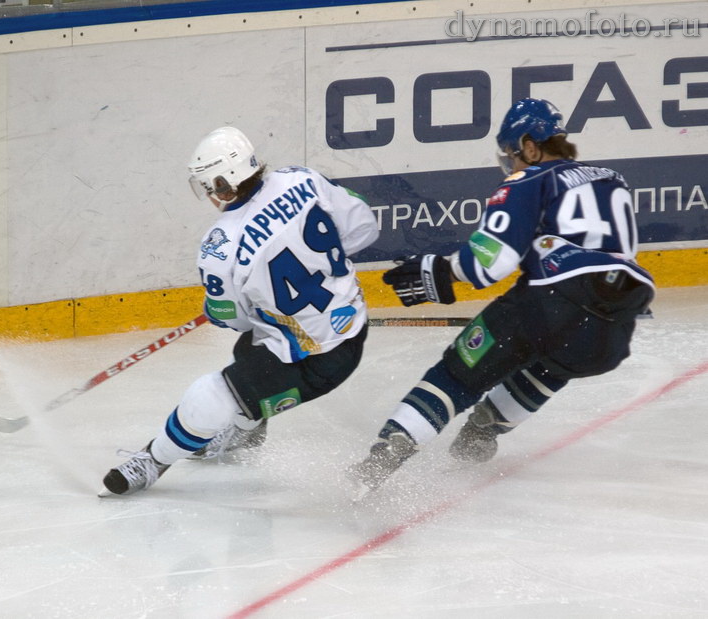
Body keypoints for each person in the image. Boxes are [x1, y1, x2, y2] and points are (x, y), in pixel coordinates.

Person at [348, 98, 655, 492]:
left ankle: (386, 454)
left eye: (514, 154)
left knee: (457, 375)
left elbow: (488, 265)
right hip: (614, 324)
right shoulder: (611, 179)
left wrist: (439, 272)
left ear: (530, 145)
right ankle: (482, 430)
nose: (512, 163)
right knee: (553, 364)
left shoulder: (527, 181)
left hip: (548, 300)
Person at [102, 126, 379, 495]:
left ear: (223, 181)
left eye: (208, 186)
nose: (209, 194)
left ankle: (154, 460)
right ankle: (246, 431)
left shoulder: (220, 246)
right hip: (353, 325)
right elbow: (364, 227)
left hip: (317, 359)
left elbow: (233, 318)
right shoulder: (301, 178)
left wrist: (218, 308)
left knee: (213, 393)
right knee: (250, 353)